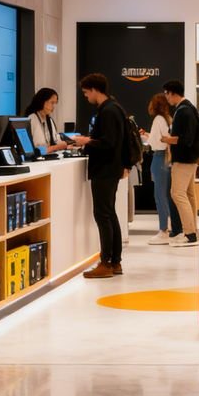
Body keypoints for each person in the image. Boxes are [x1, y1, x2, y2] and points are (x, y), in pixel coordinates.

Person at [71, 73, 131, 278]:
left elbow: (108, 143)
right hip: (110, 169)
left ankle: (106, 262)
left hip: (105, 169)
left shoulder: (108, 112)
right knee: (109, 214)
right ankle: (114, 262)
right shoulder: (114, 109)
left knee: (103, 215)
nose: (86, 97)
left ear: (95, 90)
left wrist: (86, 141)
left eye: (86, 92)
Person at [160, 80, 199, 248]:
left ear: (172, 93)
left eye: (166, 94)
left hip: (184, 159)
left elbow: (185, 138)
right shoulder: (188, 108)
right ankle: (192, 231)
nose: (166, 98)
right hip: (191, 158)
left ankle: (190, 234)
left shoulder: (183, 111)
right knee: (189, 194)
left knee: (177, 193)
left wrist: (168, 139)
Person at [144, 92, 183, 245]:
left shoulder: (158, 119)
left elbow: (157, 141)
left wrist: (147, 138)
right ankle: (167, 228)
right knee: (165, 195)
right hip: (165, 158)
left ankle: (163, 230)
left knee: (160, 195)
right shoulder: (167, 119)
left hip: (159, 158)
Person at [24, 87, 69, 155]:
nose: (53, 106)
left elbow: (55, 140)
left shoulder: (49, 120)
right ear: (42, 101)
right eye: (52, 102)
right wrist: (57, 147)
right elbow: (38, 149)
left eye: (55, 103)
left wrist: (68, 144)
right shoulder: (33, 118)